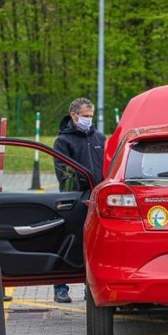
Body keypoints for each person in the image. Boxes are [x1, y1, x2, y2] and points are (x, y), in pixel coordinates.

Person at [52, 97, 106, 303]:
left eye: (91, 116)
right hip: (74, 198)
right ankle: (60, 287)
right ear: (74, 115)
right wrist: (80, 185)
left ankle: (90, 287)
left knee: (94, 245)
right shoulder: (63, 142)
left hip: (97, 198)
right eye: (85, 116)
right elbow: (64, 173)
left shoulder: (100, 138)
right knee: (67, 241)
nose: (88, 120)